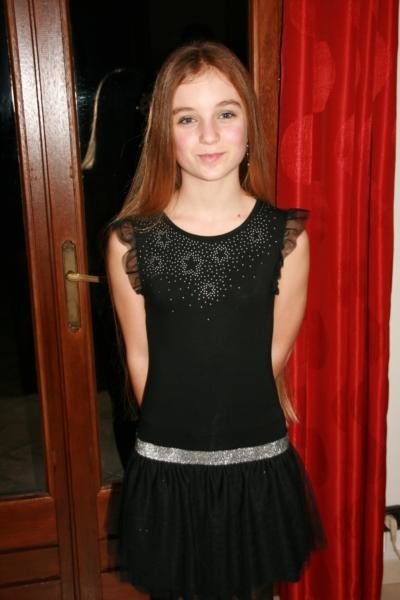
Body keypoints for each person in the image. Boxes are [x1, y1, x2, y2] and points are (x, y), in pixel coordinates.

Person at [106, 40, 325, 600]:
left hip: (255, 459)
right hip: (168, 462)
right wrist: (176, 445)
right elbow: (141, 356)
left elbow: (271, 352)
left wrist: (224, 422)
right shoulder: (132, 242)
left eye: (225, 114)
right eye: (187, 118)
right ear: (164, 131)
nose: (208, 135)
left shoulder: (284, 239)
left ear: (249, 123)